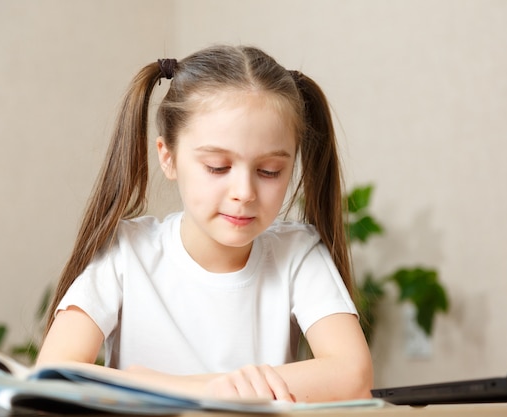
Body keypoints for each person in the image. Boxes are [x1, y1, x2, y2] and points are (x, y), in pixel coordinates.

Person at [37, 44, 373, 403]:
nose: (244, 192)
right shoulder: (126, 251)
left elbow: (353, 375)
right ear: (168, 157)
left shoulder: (297, 252)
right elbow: (54, 375)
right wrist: (233, 391)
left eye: (269, 171)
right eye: (217, 167)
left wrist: (181, 388)